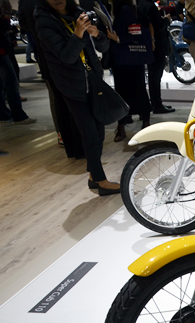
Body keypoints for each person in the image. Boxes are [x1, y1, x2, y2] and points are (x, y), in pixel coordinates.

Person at [35, 0, 121, 195]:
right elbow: (67, 57)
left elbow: (103, 47)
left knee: (99, 131)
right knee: (90, 134)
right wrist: (78, 33)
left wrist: (97, 34)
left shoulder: (78, 13)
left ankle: (93, 176)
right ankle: (100, 181)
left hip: (92, 80)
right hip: (71, 86)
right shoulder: (44, 22)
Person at [108, 0, 153, 142]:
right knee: (133, 91)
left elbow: (136, 32)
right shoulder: (122, 9)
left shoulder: (124, 9)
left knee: (129, 91)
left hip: (127, 60)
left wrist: (117, 38)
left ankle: (130, 126)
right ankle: (138, 124)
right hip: (126, 60)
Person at [0, 4, 36, 124]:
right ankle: (18, 115)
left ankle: (4, 115)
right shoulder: (2, 20)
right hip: (0, 52)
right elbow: (4, 25)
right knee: (10, 83)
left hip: (1, 51)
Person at [138, 0, 175, 114]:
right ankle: (157, 104)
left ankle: (155, 103)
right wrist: (166, 20)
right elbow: (158, 25)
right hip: (157, 45)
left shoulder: (140, 5)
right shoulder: (150, 7)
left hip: (149, 45)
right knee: (155, 76)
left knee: (152, 75)